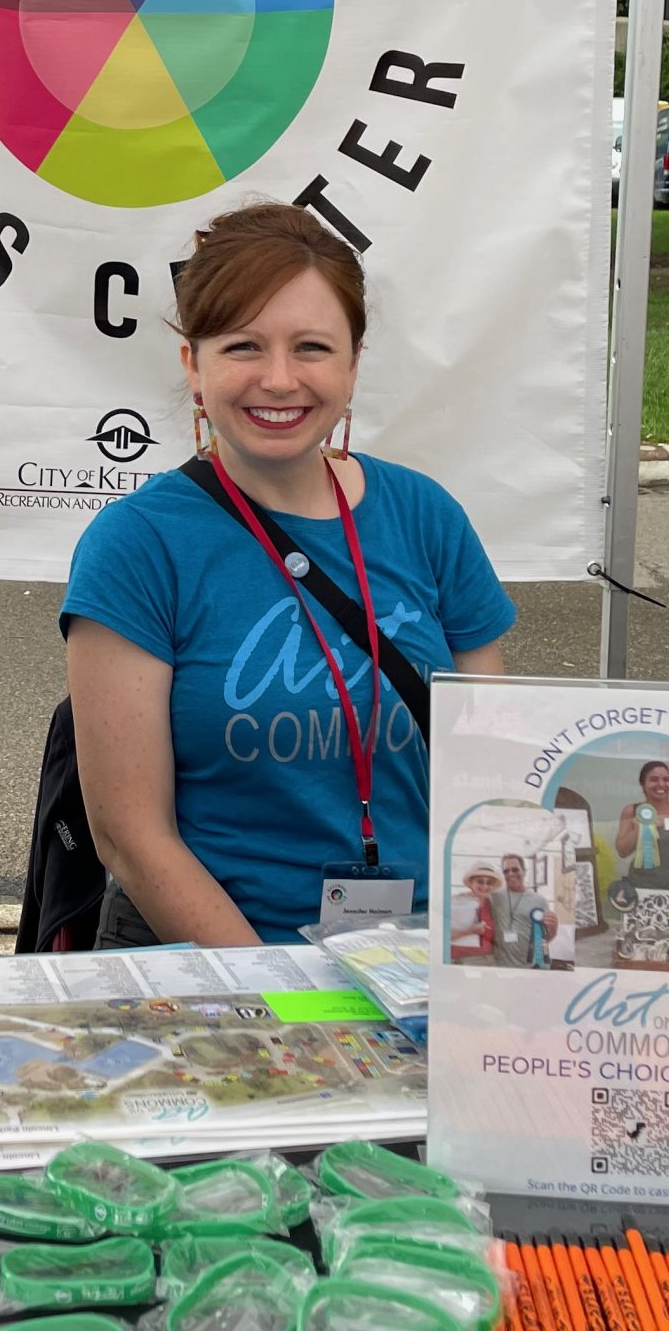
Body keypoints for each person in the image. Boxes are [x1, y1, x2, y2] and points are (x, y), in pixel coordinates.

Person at [62, 200, 514, 947]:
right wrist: (290, 1000)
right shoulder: (137, 546)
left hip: (423, 969)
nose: (279, 379)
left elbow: (490, 772)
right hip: (223, 978)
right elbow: (132, 840)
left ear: (353, 365)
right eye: (243, 346)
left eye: (311, 347)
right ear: (192, 364)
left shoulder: (425, 518)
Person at [614, 760, 669, 897]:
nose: (661, 784)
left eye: (666, 780)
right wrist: (637, 830)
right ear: (643, 784)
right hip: (639, 888)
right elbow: (622, 851)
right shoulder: (631, 811)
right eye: (654, 780)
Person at [487, 853, 554, 968]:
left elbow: (544, 939)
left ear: (524, 871)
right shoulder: (494, 896)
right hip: (501, 967)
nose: (511, 874)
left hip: (529, 967)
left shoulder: (539, 900)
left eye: (515, 870)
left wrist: (554, 931)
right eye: (506, 871)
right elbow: (475, 896)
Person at [451, 864, 499, 963]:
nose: (485, 886)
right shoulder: (456, 902)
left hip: (485, 962)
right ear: (471, 883)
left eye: (489, 883)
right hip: (457, 961)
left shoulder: (494, 906)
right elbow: (442, 935)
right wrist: (470, 931)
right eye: (480, 881)